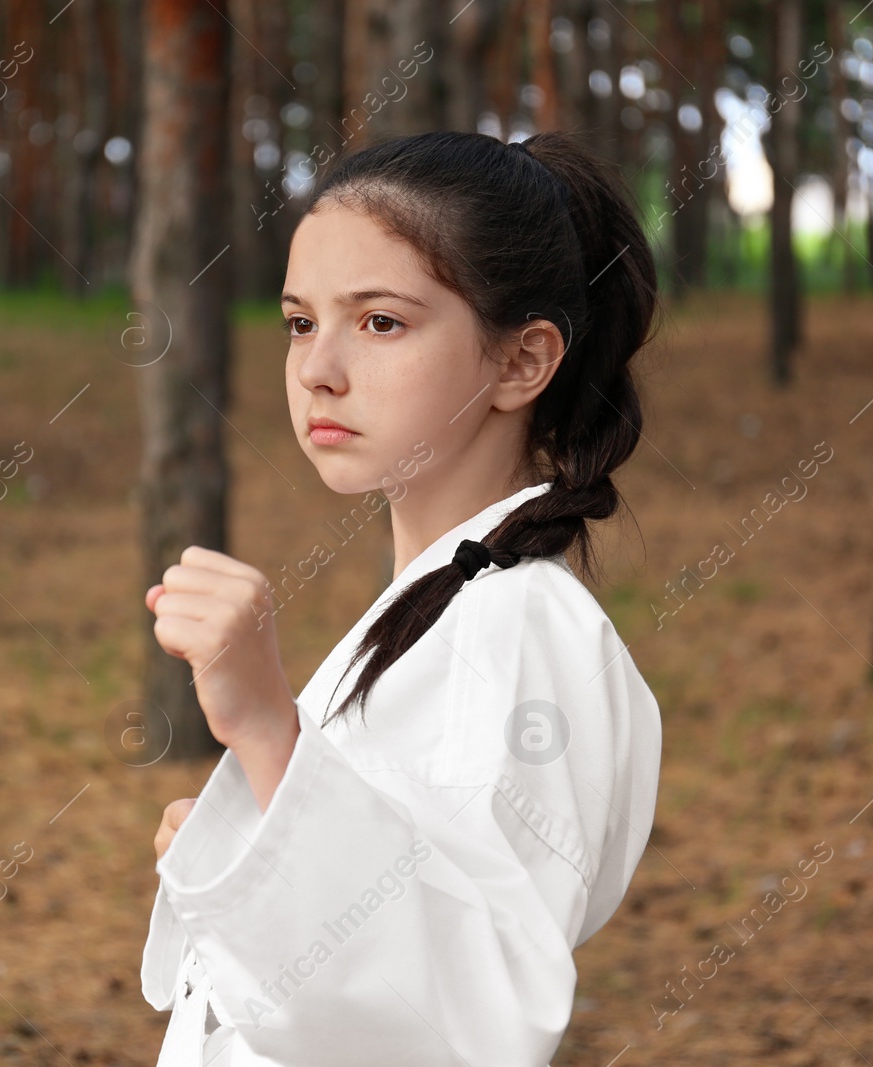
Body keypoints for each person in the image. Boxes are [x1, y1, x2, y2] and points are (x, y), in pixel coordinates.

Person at [139, 128, 662, 1066]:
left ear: (520, 362)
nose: (317, 369)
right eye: (302, 322)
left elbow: (469, 1019)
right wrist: (256, 824)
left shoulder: (525, 628)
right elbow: (407, 884)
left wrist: (268, 731)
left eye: (380, 321)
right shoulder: (445, 605)